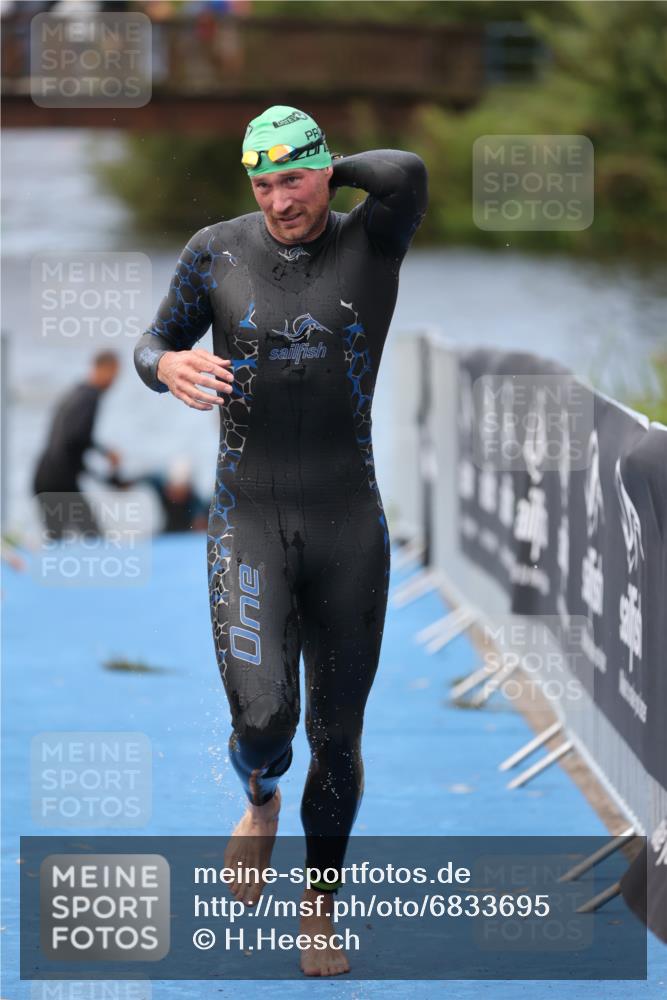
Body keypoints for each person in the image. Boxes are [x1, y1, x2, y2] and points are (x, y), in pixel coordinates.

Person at [134, 105, 428, 977]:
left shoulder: (372, 240)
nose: (276, 202)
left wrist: (330, 172)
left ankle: (318, 909)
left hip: (348, 524)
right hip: (247, 520)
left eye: (290, 180)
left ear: (324, 170)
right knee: (265, 721)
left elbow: (406, 169)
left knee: (338, 738)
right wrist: (164, 367)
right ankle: (258, 797)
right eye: (259, 185)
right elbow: (154, 341)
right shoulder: (215, 250)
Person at [33, 350, 121, 539]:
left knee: (58, 539)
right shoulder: (89, 398)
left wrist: (103, 473)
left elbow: (70, 440)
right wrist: (105, 455)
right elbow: (75, 439)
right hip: (58, 482)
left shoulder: (76, 392)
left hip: (47, 476)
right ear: (103, 369)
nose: (114, 381)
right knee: (93, 535)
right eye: (114, 374)